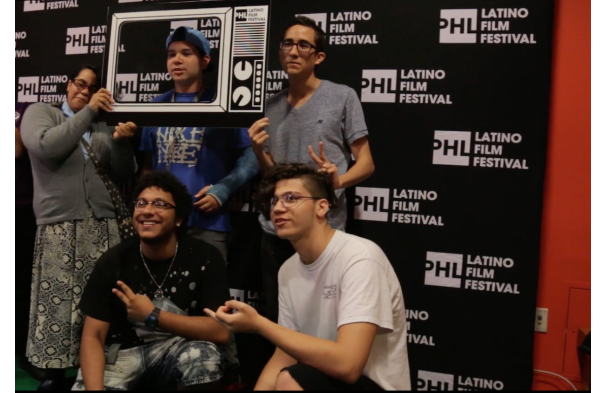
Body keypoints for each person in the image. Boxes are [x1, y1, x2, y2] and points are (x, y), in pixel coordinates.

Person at [205, 163, 410, 390]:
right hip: (322, 378)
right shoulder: (288, 270)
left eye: (291, 198)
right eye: (275, 201)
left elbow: (348, 366)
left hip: (373, 384)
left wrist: (259, 325)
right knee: (287, 375)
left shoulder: (359, 257)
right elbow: (284, 356)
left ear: (321, 207)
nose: (278, 208)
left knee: (291, 378)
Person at [247, 16, 375, 322]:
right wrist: (256, 150)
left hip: (323, 231)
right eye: (287, 44)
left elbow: (367, 164)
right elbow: (271, 175)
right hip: (276, 231)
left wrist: (338, 180)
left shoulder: (342, 96)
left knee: (325, 323)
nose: (293, 51)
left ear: (318, 56)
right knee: (282, 323)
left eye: (303, 45)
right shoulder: (270, 105)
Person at [20, 64, 137, 388]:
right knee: (57, 306)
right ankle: (55, 375)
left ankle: (96, 374)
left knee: (100, 304)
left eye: (92, 87)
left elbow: (124, 172)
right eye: (80, 84)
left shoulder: (102, 124)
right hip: (60, 226)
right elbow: (47, 146)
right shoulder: (40, 112)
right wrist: (87, 112)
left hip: (103, 226)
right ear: (68, 84)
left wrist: (123, 142)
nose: (84, 91)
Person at [73, 172, 238, 390]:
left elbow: (221, 331)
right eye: (141, 203)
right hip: (123, 355)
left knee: (203, 356)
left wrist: (153, 315)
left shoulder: (204, 257)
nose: (147, 211)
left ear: (178, 218)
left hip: (179, 349)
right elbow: (93, 336)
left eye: (160, 204)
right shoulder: (113, 261)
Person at [140, 26, 259, 262]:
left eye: (186, 53)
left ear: (204, 61)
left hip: (207, 221)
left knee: (209, 297)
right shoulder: (155, 105)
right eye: (171, 54)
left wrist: (223, 189)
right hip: (160, 222)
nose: (177, 60)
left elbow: (252, 155)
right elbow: (147, 164)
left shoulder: (223, 104)